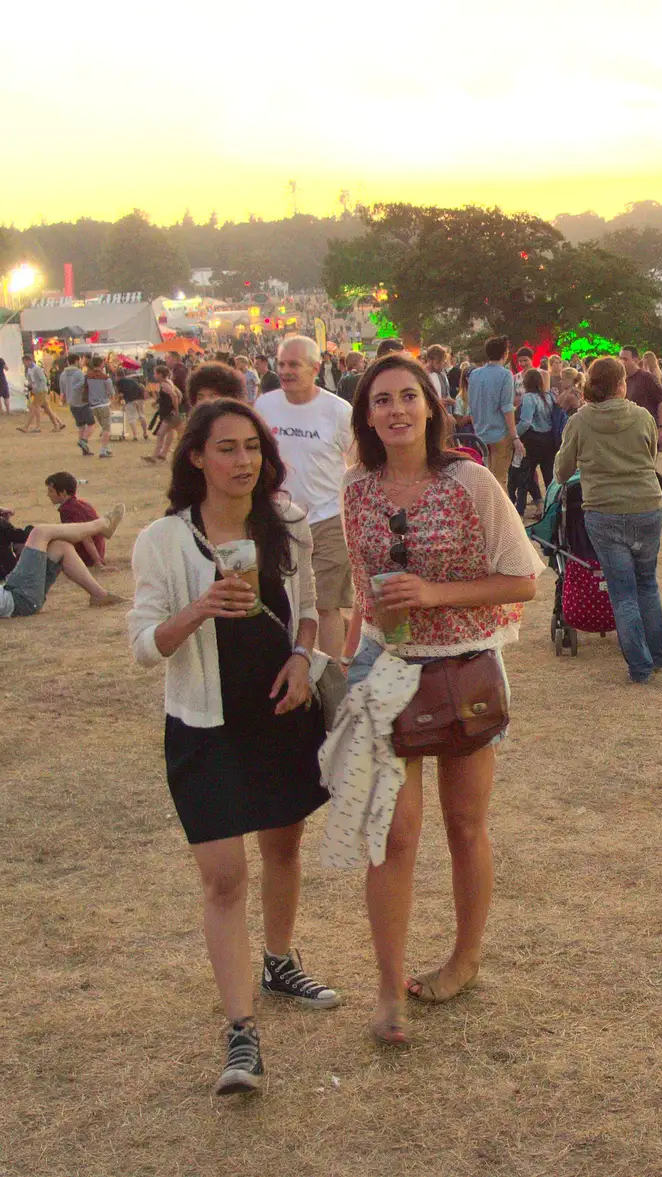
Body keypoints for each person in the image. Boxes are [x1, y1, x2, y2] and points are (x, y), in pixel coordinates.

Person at [127, 399, 338, 1096]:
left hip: (281, 711)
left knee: (283, 849)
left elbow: (307, 608)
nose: (242, 460)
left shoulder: (287, 523)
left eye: (252, 447)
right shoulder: (164, 541)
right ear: (196, 457)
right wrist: (198, 608)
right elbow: (141, 645)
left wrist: (305, 661)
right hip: (204, 725)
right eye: (226, 448)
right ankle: (241, 1030)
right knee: (223, 877)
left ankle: (279, 959)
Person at [337, 351, 541, 1043]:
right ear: (366, 415)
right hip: (384, 667)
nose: (395, 409)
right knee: (391, 835)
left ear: (430, 406)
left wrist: (434, 595)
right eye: (380, 400)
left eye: (407, 397)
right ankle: (388, 989)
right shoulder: (356, 489)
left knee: (463, 825)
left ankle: (465, 957)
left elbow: (522, 580)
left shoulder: (470, 481)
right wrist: (348, 661)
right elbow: (363, 595)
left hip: (464, 667)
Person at [553, 356, 662, 683]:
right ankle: (657, 656)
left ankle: (641, 667)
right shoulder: (643, 417)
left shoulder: (579, 421)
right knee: (647, 583)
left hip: (604, 511)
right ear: (621, 384)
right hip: (646, 506)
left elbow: (562, 472)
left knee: (623, 591)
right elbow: (651, 457)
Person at [253, 336, 355, 658]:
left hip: (327, 519)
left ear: (315, 368)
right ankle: (290, 666)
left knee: (325, 605)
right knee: (285, 599)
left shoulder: (338, 411)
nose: (285, 371)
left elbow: (358, 462)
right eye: (281, 364)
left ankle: (330, 679)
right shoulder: (264, 406)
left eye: (293, 364)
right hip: (277, 517)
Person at [0, 508, 126, 617]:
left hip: (15, 593)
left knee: (60, 547)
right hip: (19, 599)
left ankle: (99, 595)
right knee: (40, 532)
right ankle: (103, 524)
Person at [465, 337, 522, 492]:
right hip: (500, 434)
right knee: (499, 481)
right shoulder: (505, 375)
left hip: (480, 432)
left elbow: (472, 404)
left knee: (485, 480)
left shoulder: (475, 374)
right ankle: (499, 515)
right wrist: (515, 437)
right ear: (505, 353)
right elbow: (507, 407)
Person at [512, 368, 562, 519]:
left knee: (525, 476)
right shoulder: (549, 396)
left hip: (532, 441)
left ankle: (519, 510)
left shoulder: (528, 398)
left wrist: (514, 436)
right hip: (549, 441)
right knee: (549, 479)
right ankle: (553, 511)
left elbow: (526, 422)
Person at [45, 471, 110, 572]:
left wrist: (98, 562)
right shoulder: (83, 504)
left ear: (63, 493)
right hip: (98, 550)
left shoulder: (68, 510)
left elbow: (85, 536)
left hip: (86, 557)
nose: (48, 495)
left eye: (51, 491)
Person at [620, 345, 662, 453]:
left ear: (636, 360)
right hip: (627, 430)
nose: (622, 362)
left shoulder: (647, 377)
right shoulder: (622, 379)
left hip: (645, 430)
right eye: (620, 358)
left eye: (625, 359)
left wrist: (661, 426)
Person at [145, 364, 182, 462]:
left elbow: (174, 395)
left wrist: (176, 409)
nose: (154, 375)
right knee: (176, 433)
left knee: (160, 435)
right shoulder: (168, 382)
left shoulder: (164, 384)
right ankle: (161, 455)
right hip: (169, 414)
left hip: (169, 415)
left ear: (160, 374)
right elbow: (179, 394)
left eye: (155, 373)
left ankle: (154, 457)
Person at [20, 354, 65, 433]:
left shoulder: (37, 369)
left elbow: (43, 380)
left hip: (40, 391)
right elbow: (32, 380)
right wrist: (31, 385)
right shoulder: (30, 370)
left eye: (24, 363)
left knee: (34, 407)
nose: (24, 364)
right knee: (47, 409)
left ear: (28, 361)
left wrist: (38, 388)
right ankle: (57, 424)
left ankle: (27, 427)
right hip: (38, 391)